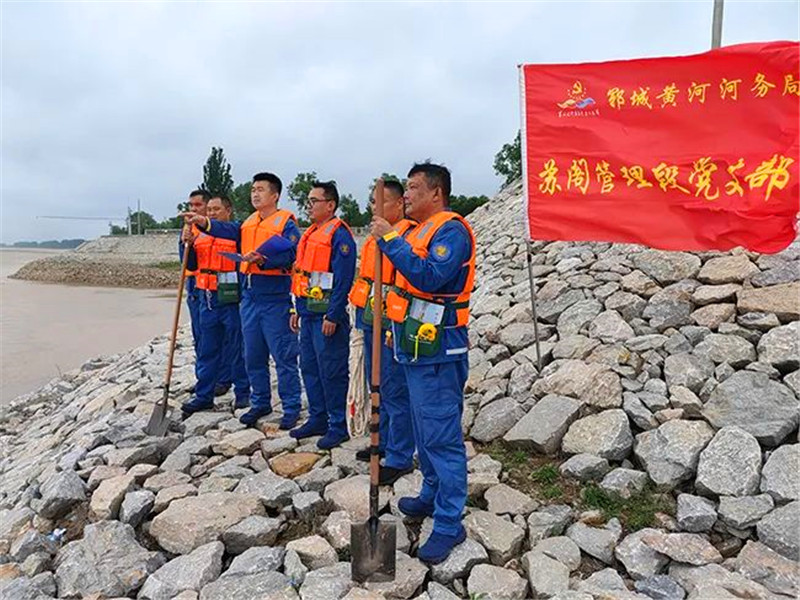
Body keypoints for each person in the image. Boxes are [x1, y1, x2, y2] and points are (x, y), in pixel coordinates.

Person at [370, 162, 476, 565]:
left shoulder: (451, 231)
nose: (407, 194)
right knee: (423, 428)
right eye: (407, 186)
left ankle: (449, 522)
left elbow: (431, 277)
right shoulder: (415, 231)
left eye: (414, 187)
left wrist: (390, 239)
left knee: (441, 436)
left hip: (438, 351)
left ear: (436, 193)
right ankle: (431, 491)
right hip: (413, 346)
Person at [184, 173, 303, 429]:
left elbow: (294, 253)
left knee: (283, 355)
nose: (255, 194)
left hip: (274, 297)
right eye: (253, 190)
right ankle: (260, 402)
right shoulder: (247, 223)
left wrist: (265, 260)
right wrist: (204, 222)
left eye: (261, 189)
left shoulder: (286, 223)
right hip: (249, 297)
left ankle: (291, 407)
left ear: (275, 195)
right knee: (253, 355)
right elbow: (225, 229)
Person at [349, 179, 415, 485]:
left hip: (391, 319)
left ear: (399, 204)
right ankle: (384, 440)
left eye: (382, 202)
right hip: (369, 315)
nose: (375, 208)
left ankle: (400, 456)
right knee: (376, 383)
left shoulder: (407, 235)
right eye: (373, 202)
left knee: (394, 387)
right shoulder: (374, 235)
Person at [290, 181, 356, 450]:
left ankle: (338, 425)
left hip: (327, 317)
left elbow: (343, 279)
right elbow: (300, 274)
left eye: (314, 201)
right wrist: (295, 309)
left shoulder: (339, 235)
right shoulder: (310, 233)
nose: (309, 206)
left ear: (330, 205)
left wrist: (333, 314)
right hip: (307, 313)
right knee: (309, 367)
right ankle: (318, 417)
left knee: (332, 371)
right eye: (308, 201)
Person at [181, 196, 251, 415]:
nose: (211, 213)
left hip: (231, 298)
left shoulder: (236, 231)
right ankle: (204, 395)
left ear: (228, 210)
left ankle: (242, 394)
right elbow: (190, 264)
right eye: (209, 209)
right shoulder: (199, 234)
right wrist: (187, 245)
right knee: (207, 348)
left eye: (216, 209)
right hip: (207, 297)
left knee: (236, 347)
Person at [181, 189, 210, 390]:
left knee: (213, 336)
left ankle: (220, 378)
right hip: (193, 285)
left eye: (198, 205)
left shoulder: (214, 229)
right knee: (199, 334)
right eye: (191, 205)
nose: (193, 209)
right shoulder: (188, 230)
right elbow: (186, 262)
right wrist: (187, 243)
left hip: (210, 286)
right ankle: (202, 378)